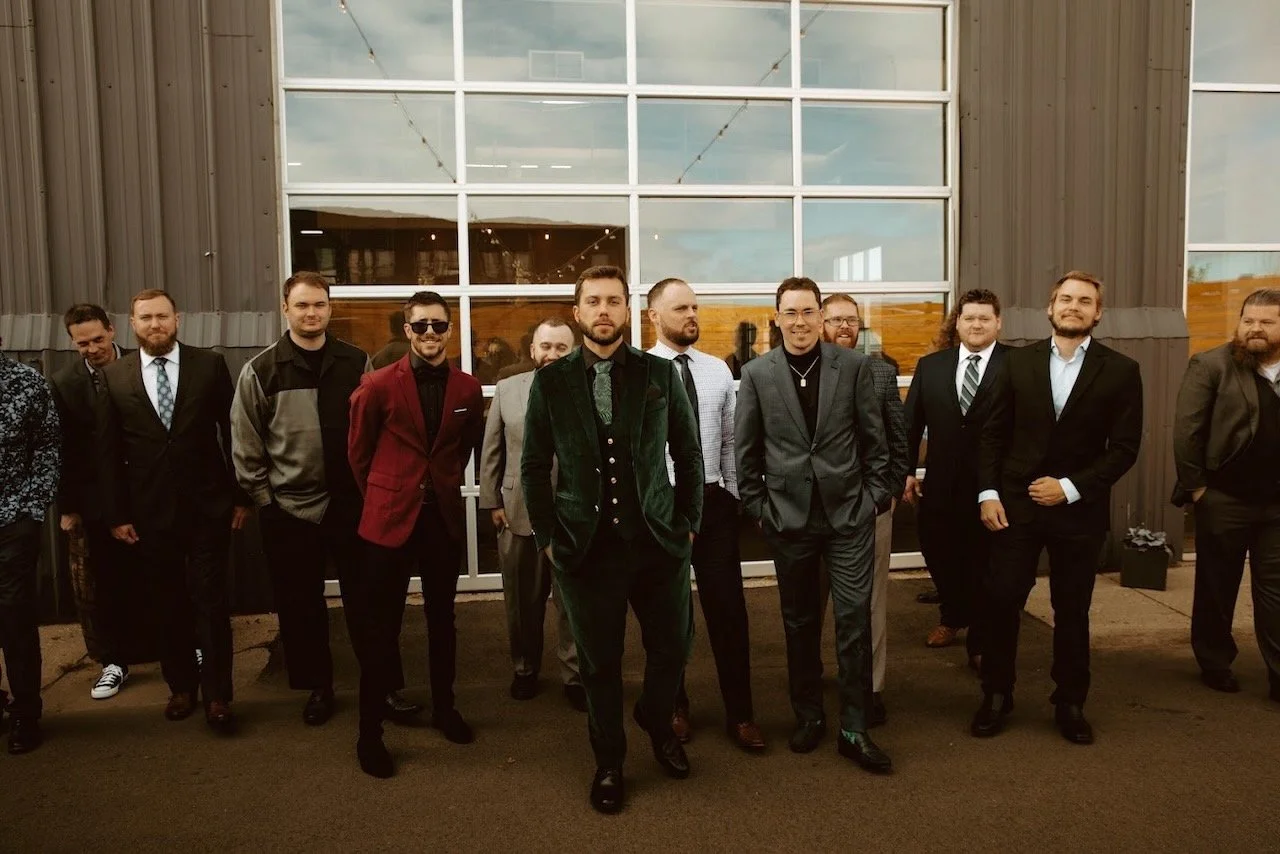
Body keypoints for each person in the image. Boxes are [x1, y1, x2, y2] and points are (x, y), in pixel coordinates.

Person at [522, 265, 703, 814]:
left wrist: (688, 521)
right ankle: (610, 762)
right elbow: (533, 466)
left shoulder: (658, 374)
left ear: (628, 310)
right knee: (599, 664)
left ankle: (654, 714)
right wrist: (549, 537)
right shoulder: (551, 382)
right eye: (593, 301)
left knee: (672, 649)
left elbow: (688, 454)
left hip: (656, 541)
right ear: (577, 313)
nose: (603, 310)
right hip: (585, 548)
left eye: (614, 301)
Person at [973, 271, 1142, 745]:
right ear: (1050, 307)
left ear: (1097, 312)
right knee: (1003, 599)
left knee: (1073, 609)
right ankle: (996, 695)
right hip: (1015, 508)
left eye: (1084, 301)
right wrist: (988, 494)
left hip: (1077, 512)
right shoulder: (1017, 363)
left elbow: (1124, 448)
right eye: (1065, 298)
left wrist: (1070, 487)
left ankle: (1069, 701)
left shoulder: (1121, 370)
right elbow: (992, 434)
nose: (1074, 306)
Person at [736, 276, 894, 774]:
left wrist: (872, 498)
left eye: (809, 312)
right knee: (800, 623)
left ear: (821, 318)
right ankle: (808, 715)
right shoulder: (758, 374)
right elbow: (747, 451)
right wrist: (761, 509)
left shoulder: (854, 368)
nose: (800, 322)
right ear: (776, 317)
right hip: (790, 521)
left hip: (849, 517)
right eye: (791, 313)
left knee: (852, 621)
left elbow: (876, 441)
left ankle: (854, 727)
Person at [96, 289, 252, 733]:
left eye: (162, 316)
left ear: (177, 319)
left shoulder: (209, 365)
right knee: (167, 604)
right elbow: (106, 452)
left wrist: (241, 495)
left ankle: (219, 696)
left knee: (210, 602)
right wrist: (116, 515)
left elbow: (233, 432)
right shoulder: (115, 376)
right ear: (132, 324)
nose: (154, 324)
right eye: (145, 317)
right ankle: (181, 688)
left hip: (207, 507)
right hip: (148, 512)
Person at [346, 290, 484, 778]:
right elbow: (358, 456)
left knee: (443, 620)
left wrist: (438, 485)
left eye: (439, 326)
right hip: (388, 520)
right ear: (407, 330)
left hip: (441, 519)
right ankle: (370, 733)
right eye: (421, 325)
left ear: (450, 330)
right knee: (380, 627)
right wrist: (389, 494)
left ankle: (445, 709)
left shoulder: (468, 389)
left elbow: (463, 449)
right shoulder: (377, 385)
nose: (430, 334)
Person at [231, 271, 378, 726]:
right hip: (290, 509)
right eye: (302, 305)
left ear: (330, 308)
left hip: (353, 505)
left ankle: (381, 683)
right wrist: (264, 498)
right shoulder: (262, 369)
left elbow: (377, 428)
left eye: (319, 305)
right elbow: (246, 440)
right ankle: (319, 687)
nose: (311, 313)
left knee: (368, 601)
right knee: (302, 606)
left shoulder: (357, 362)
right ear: (286, 308)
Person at [647, 278, 764, 752]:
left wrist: (732, 494)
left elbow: (733, 440)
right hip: (662, 506)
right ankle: (675, 706)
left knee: (728, 612)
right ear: (653, 316)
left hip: (715, 503)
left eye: (694, 307)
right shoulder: (637, 371)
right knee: (667, 617)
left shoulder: (717, 371)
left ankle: (741, 714)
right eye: (680, 308)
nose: (691, 315)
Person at [1172, 287, 1280, 703]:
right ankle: (1215, 662)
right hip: (1224, 498)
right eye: (1248, 320)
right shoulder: (1212, 364)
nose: (1255, 329)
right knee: (1217, 585)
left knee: (1275, 590)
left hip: (1277, 506)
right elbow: (1187, 431)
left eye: (1266, 322)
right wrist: (1198, 488)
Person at [478, 317, 584, 710]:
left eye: (561, 347)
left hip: (573, 517)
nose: (552, 354)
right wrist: (492, 502)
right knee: (522, 602)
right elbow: (492, 450)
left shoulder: (590, 390)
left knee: (572, 603)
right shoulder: (507, 390)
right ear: (533, 349)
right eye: (546, 346)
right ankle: (524, 669)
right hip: (517, 513)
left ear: (572, 351)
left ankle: (574, 676)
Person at [904, 290, 1008, 668]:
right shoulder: (931, 366)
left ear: (998, 322)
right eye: (969, 318)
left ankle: (979, 639)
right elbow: (910, 425)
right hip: (940, 484)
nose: (976, 324)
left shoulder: (1017, 365)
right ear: (958, 323)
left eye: (984, 318)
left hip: (994, 488)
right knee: (938, 551)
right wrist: (906, 473)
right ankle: (953, 614)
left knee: (985, 563)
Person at [819, 294, 910, 727]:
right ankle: (814, 678)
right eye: (835, 319)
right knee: (812, 602)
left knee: (870, 603)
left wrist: (885, 494)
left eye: (851, 321)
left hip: (869, 508)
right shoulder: (802, 371)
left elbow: (898, 439)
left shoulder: (880, 372)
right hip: (812, 511)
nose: (843, 327)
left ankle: (869, 687)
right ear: (820, 323)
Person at [50, 304, 142, 700]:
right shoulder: (63, 382)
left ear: (113, 330)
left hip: (144, 490)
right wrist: (69, 507)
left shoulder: (142, 366)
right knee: (103, 583)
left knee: (160, 573)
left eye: (98, 340)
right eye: (81, 344)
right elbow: (62, 449)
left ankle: (178, 647)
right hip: (95, 499)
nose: (91, 349)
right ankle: (113, 662)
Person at [0, 342, 60, 754]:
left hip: (12, 519)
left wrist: (31, 507)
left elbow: (49, 447)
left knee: (13, 614)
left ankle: (26, 712)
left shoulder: (25, 383)